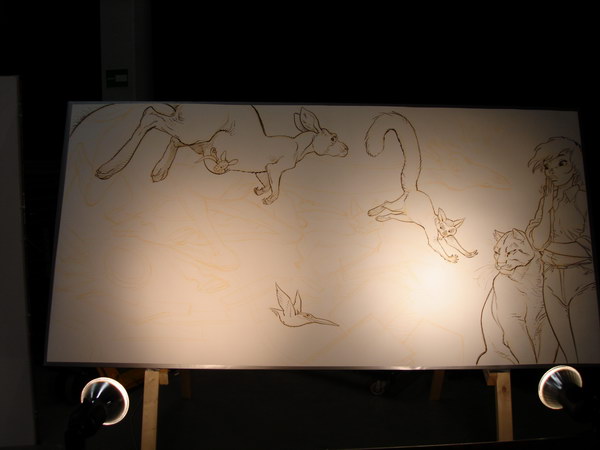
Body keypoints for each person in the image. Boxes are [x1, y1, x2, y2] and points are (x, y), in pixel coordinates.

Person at [526, 137, 595, 362]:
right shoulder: (546, 200)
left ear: (574, 164)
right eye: (548, 167)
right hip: (551, 280)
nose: (553, 171)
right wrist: (547, 204)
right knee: (568, 354)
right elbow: (536, 239)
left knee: (585, 354)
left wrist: (548, 248)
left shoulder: (581, 197)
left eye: (561, 163)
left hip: (581, 279)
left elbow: (586, 249)